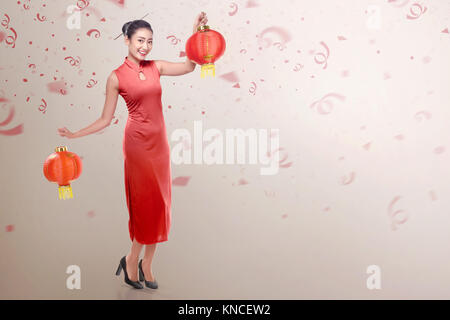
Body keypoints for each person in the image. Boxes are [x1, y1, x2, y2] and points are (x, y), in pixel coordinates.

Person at [57, 12, 208, 289]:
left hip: (159, 144)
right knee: (144, 206)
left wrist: (196, 32)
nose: (145, 46)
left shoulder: (156, 67)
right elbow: (105, 119)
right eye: (140, 40)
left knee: (160, 204)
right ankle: (132, 260)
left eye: (149, 41)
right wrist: (75, 134)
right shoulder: (115, 77)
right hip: (137, 146)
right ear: (127, 40)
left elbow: (189, 66)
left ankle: (146, 263)